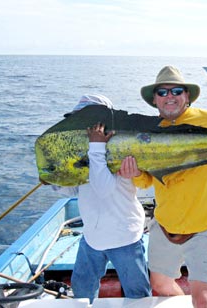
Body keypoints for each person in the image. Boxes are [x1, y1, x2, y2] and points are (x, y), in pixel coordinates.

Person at [119, 66, 207, 308]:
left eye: (176, 91)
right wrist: (133, 173)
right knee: (161, 286)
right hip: (165, 227)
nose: (169, 96)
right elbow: (145, 181)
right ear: (154, 100)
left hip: (205, 228)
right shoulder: (149, 132)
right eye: (162, 92)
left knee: (204, 300)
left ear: (187, 96)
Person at [42, 94, 151, 303]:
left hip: (124, 238)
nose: (87, 128)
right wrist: (55, 180)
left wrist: (97, 147)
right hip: (92, 237)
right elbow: (74, 191)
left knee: (138, 297)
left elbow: (104, 188)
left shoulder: (119, 149)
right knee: (82, 293)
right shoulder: (89, 151)